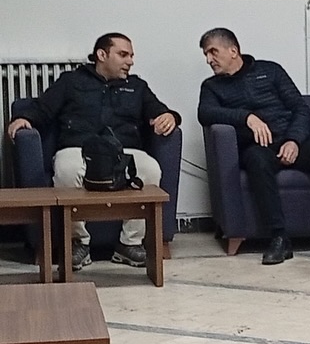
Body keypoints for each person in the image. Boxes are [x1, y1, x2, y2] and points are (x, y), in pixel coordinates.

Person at [5, 32, 179, 271]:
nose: (130, 61)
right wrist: (24, 118)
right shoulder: (71, 81)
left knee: (150, 170)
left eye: (131, 56)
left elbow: (159, 110)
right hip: (78, 148)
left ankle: (129, 243)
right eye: (123, 55)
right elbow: (43, 108)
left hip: (123, 150)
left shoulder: (137, 86)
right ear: (102, 55)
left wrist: (169, 116)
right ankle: (78, 242)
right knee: (67, 169)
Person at [197, 28, 310, 266]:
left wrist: (293, 140)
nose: (208, 59)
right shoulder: (212, 87)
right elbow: (205, 113)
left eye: (213, 52)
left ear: (233, 51)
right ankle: (279, 238)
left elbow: (301, 109)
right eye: (206, 54)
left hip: (291, 140)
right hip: (259, 148)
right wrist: (247, 117)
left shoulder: (270, 70)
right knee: (256, 161)